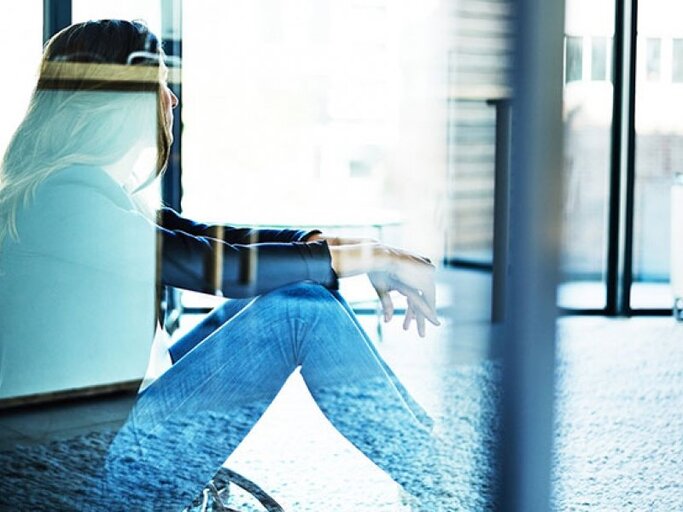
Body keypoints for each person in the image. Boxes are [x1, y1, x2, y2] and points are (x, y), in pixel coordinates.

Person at [0, 20, 445, 511]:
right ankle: (439, 477)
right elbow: (219, 268)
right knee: (301, 312)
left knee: (295, 296)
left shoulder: (76, 191)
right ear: (117, 96)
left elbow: (215, 239)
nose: (171, 100)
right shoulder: (63, 203)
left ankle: (429, 465)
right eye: (160, 84)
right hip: (78, 486)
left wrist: (357, 247)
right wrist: (371, 257)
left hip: (96, 445)